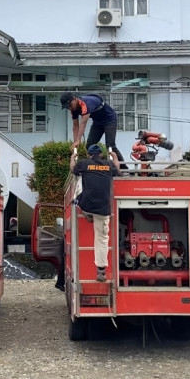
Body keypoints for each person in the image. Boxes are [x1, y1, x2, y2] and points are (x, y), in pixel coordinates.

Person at [70, 144, 120, 282]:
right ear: (101, 154)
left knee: (80, 180)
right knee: (102, 238)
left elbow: (72, 169)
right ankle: (101, 271)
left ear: (89, 154)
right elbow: (118, 170)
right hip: (103, 208)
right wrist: (115, 157)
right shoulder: (108, 165)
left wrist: (72, 158)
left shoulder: (84, 164)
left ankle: (84, 211)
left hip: (87, 204)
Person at [60, 92, 126, 166]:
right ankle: (95, 166)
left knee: (110, 146)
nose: (70, 108)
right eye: (67, 107)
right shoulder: (73, 109)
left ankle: (124, 168)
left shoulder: (86, 104)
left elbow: (83, 123)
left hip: (109, 120)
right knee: (90, 145)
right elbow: (75, 125)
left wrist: (78, 140)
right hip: (97, 122)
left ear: (75, 99)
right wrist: (75, 142)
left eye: (70, 105)